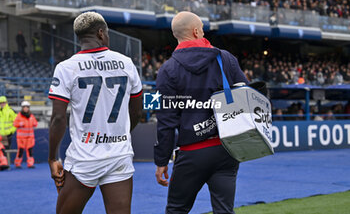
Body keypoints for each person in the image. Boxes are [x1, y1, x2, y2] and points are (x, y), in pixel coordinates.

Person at [48, 12, 142, 214]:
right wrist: (121, 134)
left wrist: (52, 158)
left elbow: (57, 118)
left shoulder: (66, 68)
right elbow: (136, 111)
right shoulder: (126, 63)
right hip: (119, 154)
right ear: (101, 33)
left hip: (85, 157)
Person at [154, 11, 249, 214]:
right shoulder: (226, 58)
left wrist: (161, 161)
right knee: (224, 211)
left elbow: (166, 121)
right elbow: (246, 96)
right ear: (196, 31)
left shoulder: (167, 70)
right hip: (225, 148)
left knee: (176, 210)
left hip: (191, 152)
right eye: (203, 29)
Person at [13, 101, 38, 168]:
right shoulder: (19, 116)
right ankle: (17, 164)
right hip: (21, 138)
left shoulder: (31, 116)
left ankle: (30, 164)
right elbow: (14, 124)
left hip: (30, 137)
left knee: (30, 151)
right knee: (20, 151)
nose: (26, 108)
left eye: (27, 107)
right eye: (24, 107)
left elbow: (35, 123)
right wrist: (20, 124)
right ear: (22, 108)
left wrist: (34, 124)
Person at [0, 96, 17, 171]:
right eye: (1, 103)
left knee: (6, 149)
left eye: (3, 102)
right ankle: (3, 164)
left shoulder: (11, 111)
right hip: (0, 134)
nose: (2, 104)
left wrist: (11, 131)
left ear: (6, 103)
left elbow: (16, 122)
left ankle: (6, 164)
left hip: (7, 135)